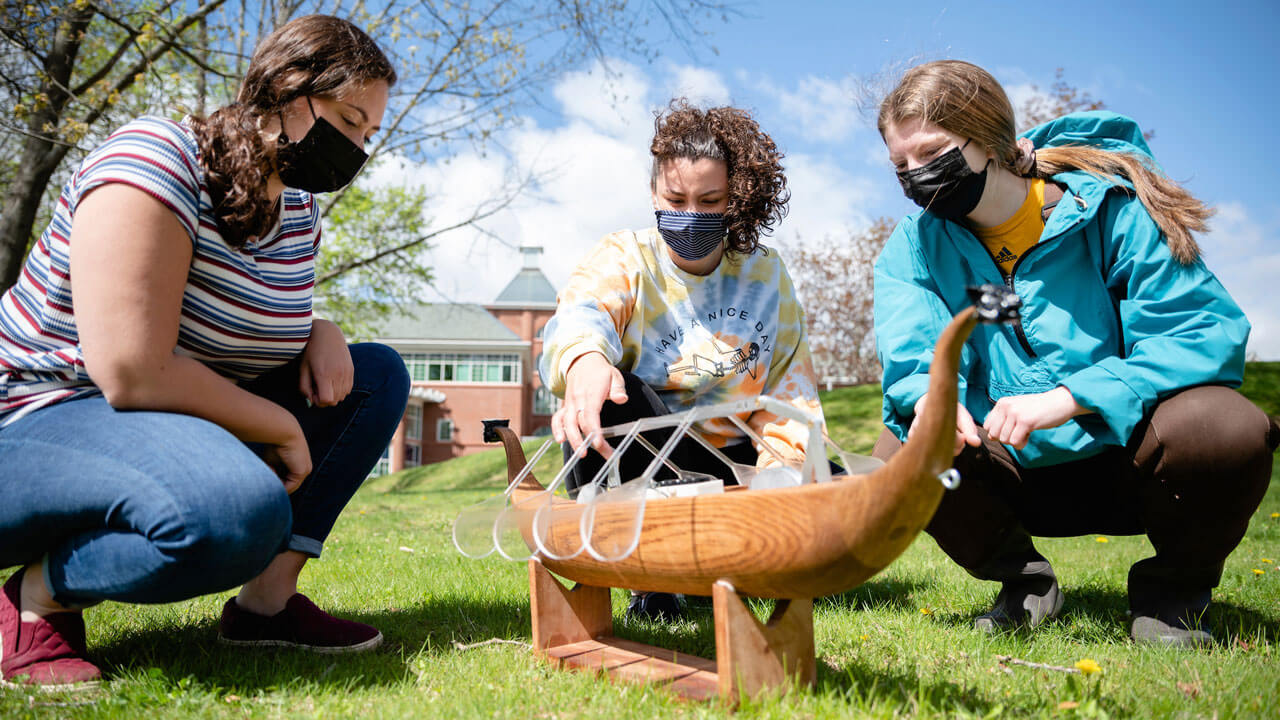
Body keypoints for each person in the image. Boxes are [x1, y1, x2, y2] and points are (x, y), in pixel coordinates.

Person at [0, 15, 409, 688]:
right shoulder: (157, 157)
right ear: (286, 89)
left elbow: (243, 330)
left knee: (375, 374)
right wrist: (278, 425)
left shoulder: (298, 216)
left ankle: (265, 608)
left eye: (369, 134)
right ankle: (34, 600)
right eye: (347, 118)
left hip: (139, 424)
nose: (357, 146)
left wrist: (319, 330)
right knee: (233, 510)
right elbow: (131, 369)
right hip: (37, 414)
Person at [871, 59, 1276, 647]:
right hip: (1012, 468)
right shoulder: (914, 247)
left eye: (931, 152)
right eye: (899, 164)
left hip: (1133, 457)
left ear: (989, 141)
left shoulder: (1111, 211)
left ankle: (1173, 599)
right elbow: (914, 355)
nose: (915, 175)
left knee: (1223, 427)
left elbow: (1199, 333)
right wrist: (938, 403)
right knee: (906, 442)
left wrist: (1072, 397)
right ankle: (1024, 584)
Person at [539, 100, 828, 619]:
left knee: (812, 464)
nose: (690, 215)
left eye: (710, 200)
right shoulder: (626, 257)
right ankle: (649, 579)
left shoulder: (765, 273)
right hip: (641, 453)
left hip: (730, 461)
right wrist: (584, 360)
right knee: (611, 391)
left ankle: (740, 559)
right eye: (675, 197)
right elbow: (581, 313)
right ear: (654, 193)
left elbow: (789, 389)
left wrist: (780, 485)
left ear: (735, 199)